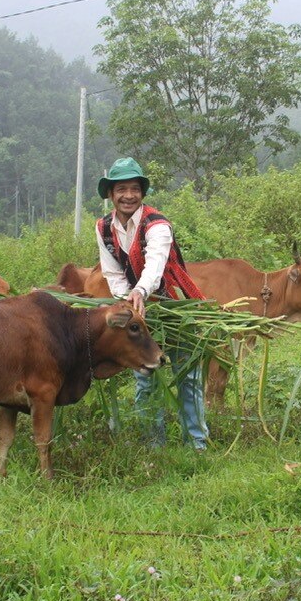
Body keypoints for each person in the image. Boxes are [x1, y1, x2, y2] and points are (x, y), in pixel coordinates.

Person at [95, 157, 209, 451]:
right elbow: (111, 270)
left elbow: (155, 265)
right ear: (111, 194)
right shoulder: (104, 227)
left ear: (142, 193)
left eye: (135, 188)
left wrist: (141, 292)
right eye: (121, 189)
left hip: (175, 307)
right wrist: (127, 301)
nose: (128, 195)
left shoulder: (157, 225)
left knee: (187, 376)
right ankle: (153, 446)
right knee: (145, 377)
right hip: (139, 313)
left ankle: (197, 444)